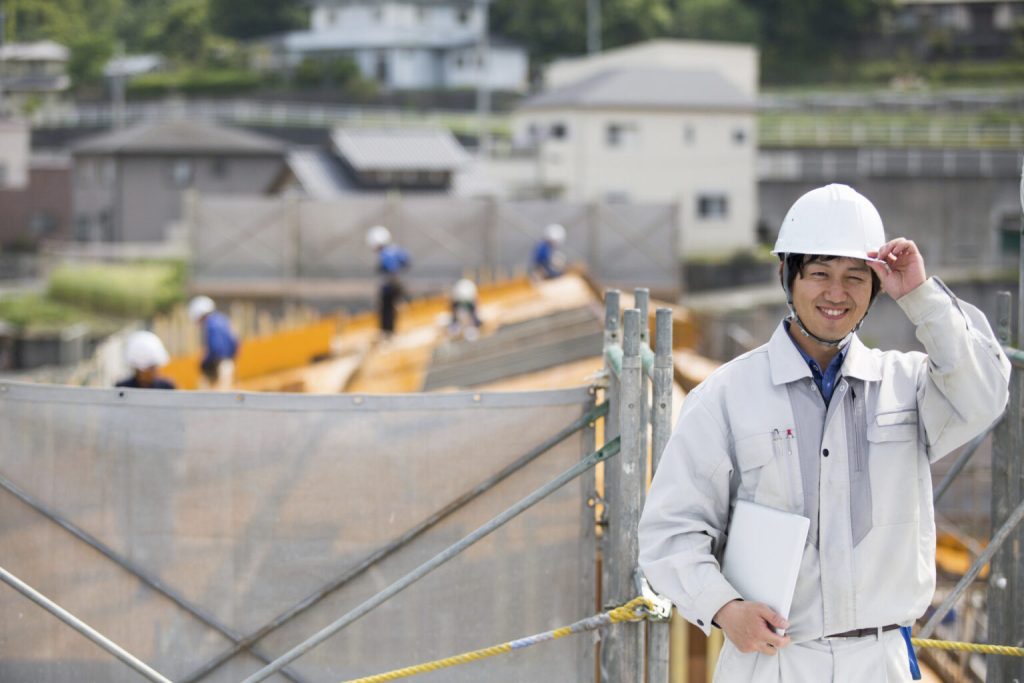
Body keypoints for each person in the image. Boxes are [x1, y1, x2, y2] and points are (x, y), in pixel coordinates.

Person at [638, 183, 1010, 682]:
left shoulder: (907, 385)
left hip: (881, 662)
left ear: (876, 287)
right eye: (819, 274)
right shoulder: (725, 398)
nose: (837, 293)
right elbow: (669, 534)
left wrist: (921, 298)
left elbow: (986, 394)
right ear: (787, 277)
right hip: (772, 662)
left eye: (856, 277)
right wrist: (724, 608)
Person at [366, 225, 411, 337]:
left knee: (386, 309)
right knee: (390, 309)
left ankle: (387, 332)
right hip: (394, 284)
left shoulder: (386, 254)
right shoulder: (394, 249)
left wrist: (392, 281)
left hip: (390, 286)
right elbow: (405, 262)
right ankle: (389, 331)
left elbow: (392, 269)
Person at [188, 295, 238, 390]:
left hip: (217, 366)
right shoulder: (224, 320)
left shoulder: (211, 324)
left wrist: (204, 363)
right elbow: (235, 342)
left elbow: (215, 348)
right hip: (228, 363)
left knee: (209, 398)